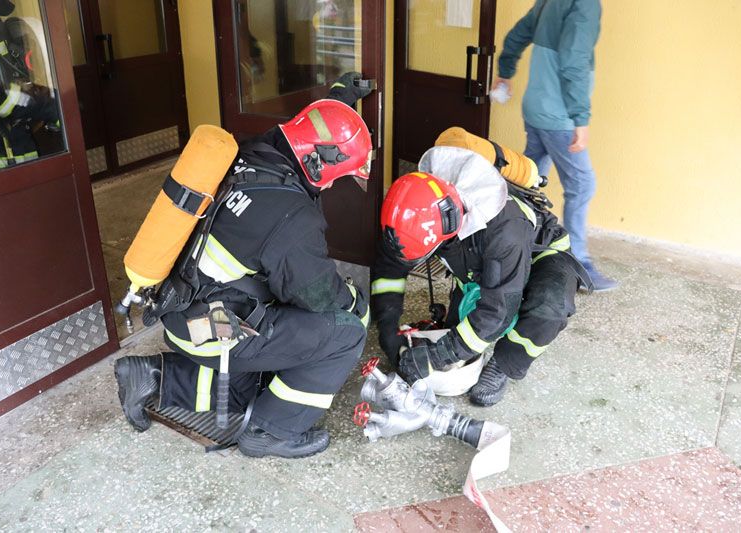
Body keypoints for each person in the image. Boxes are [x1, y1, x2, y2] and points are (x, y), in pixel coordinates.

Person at [114, 73, 373, 459]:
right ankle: (271, 432)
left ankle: (152, 377)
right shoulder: (291, 220)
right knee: (345, 332)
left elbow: (315, 128)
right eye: (337, 177)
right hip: (213, 328)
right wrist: (354, 301)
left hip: (182, 308)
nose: (333, 187)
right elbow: (318, 296)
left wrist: (341, 98)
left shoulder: (259, 150)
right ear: (318, 164)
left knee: (258, 380)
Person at [372, 138, 585, 406]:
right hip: (483, 257)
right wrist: (388, 327)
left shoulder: (503, 231)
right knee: (462, 330)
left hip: (540, 252)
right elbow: (390, 267)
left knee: (548, 306)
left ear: (449, 229)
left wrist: (437, 358)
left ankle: (504, 363)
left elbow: (498, 311)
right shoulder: (420, 205)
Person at [493, 0, 617, 291]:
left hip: (536, 108)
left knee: (526, 181)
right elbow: (574, 59)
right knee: (581, 184)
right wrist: (580, 118)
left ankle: (511, 245)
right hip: (558, 116)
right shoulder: (585, 5)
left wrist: (505, 71)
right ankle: (578, 264)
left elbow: (517, 35)